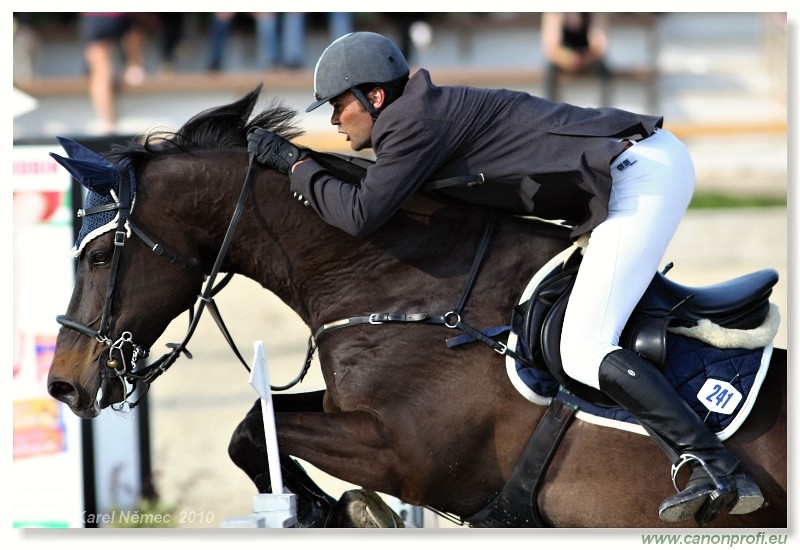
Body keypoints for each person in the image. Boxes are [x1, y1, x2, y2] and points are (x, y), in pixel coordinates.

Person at [246, 31, 764, 525]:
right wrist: (305, 166)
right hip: (632, 169)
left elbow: (360, 214)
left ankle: (717, 468)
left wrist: (295, 165)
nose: (334, 119)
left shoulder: (412, 123)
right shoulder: (413, 120)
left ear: (375, 96)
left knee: (583, 346)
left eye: (338, 104)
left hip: (642, 174)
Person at [79, 13, 145, 134]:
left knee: (101, 72)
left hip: (98, 16)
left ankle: (108, 123)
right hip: (116, 16)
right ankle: (135, 67)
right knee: (102, 71)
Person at [541, 12, 612, 106]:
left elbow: (600, 47)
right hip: (562, 61)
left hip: (587, 59)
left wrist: (585, 58)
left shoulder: (594, 14)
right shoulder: (554, 14)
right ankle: (550, 110)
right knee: (549, 72)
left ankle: (606, 111)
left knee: (605, 70)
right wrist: (570, 59)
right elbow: (550, 49)